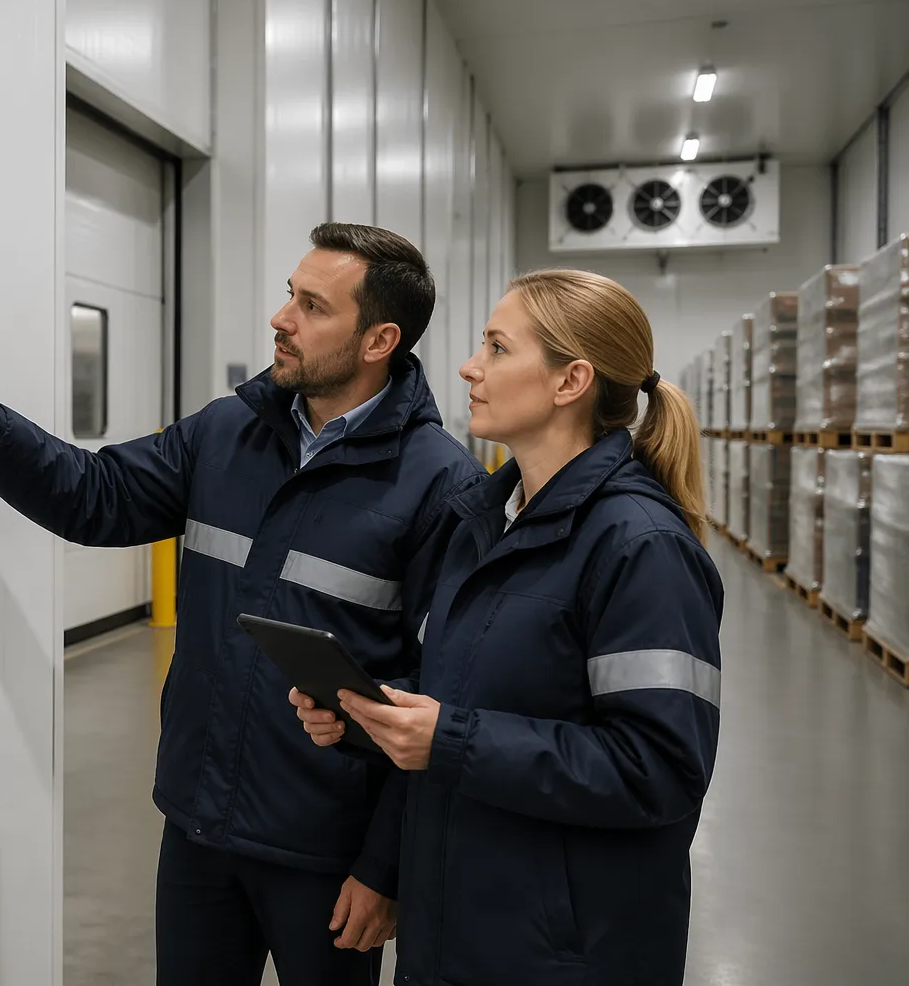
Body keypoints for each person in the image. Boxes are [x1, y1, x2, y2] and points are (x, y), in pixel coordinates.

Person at [0, 223, 484, 986]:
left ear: (379, 340)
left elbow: (438, 690)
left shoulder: (440, 484)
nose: (281, 318)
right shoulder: (227, 431)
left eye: (311, 306)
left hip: (327, 855)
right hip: (201, 823)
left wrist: (385, 867)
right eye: (287, 296)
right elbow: (95, 496)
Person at [291, 268, 722, 986]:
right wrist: (373, 716)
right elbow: (469, 698)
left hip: (563, 955)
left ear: (570, 381)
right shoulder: (484, 523)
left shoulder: (641, 546)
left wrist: (447, 739)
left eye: (496, 347)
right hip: (453, 930)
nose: (469, 365)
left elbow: (661, 770)